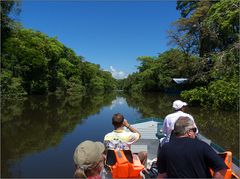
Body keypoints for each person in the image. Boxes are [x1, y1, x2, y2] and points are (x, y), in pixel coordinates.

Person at [157, 116, 228, 178]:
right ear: (189, 132)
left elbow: (162, 175)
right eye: (194, 130)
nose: (195, 133)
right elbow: (221, 168)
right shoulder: (202, 146)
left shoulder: (166, 148)